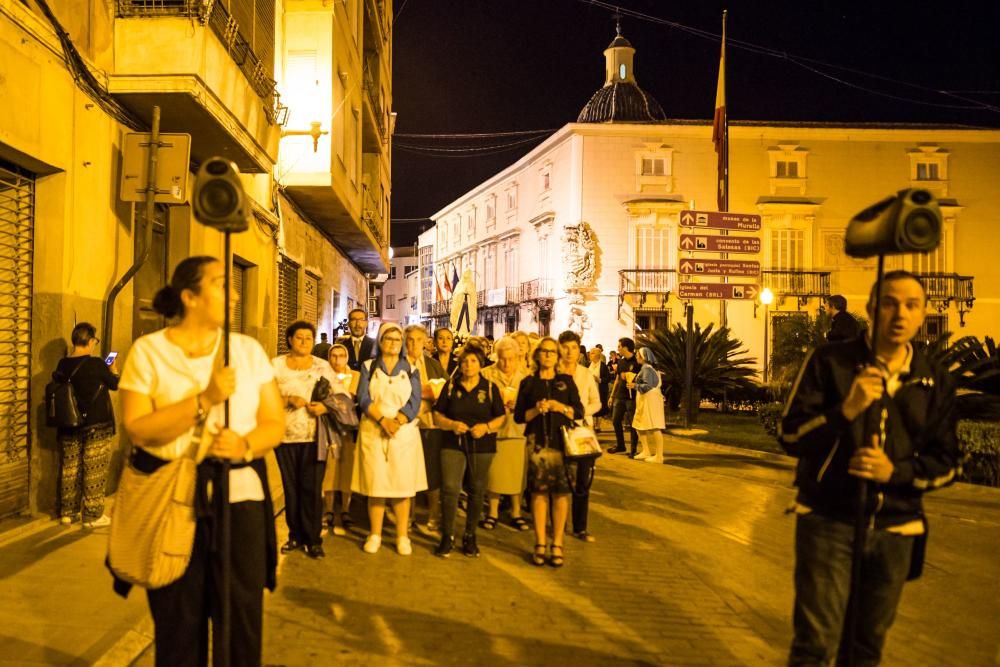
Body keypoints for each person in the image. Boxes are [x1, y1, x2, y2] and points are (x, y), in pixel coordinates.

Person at [780, 271, 960, 665]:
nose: (900, 313)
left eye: (912, 305)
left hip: (897, 528)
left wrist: (893, 473)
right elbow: (790, 435)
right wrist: (846, 409)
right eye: (890, 303)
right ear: (871, 309)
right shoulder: (830, 363)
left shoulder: (935, 380)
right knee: (815, 644)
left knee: (865, 649)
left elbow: (947, 461)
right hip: (829, 520)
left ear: (923, 313)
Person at [119, 256, 284, 666]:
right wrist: (205, 400)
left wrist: (244, 446)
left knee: (239, 620)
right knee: (178, 622)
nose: (234, 293)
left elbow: (273, 422)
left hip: (240, 500)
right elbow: (138, 428)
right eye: (221, 284)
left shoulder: (246, 350)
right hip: (173, 498)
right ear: (190, 296)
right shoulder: (148, 352)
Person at [352, 322, 426, 555]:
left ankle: (402, 536)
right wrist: (383, 420)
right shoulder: (368, 366)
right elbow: (363, 397)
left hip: (403, 435)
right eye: (388, 339)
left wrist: (398, 421)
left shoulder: (411, 369)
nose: (393, 343)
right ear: (380, 342)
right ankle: (375, 533)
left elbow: (415, 400)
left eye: (397, 339)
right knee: (377, 485)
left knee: (401, 486)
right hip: (374, 430)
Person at [514, 337, 584, 568]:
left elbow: (579, 412)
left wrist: (559, 407)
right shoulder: (528, 383)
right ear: (537, 355)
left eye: (552, 352)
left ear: (557, 356)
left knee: (562, 494)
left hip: (562, 445)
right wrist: (536, 410)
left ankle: (558, 543)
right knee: (538, 494)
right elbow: (519, 417)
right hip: (537, 446)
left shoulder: (565, 382)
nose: (547, 355)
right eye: (544, 351)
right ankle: (540, 542)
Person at [432, 346, 506, 557]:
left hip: (482, 446)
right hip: (452, 443)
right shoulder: (450, 386)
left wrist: (486, 428)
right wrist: (452, 424)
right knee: (450, 489)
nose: (468, 365)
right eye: (464, 362)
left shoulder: (490, 388)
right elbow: (437, 416)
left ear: (480, 364)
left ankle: (470, 535)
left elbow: (501, 417)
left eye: (473, 361)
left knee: (476, 490)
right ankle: (447, 535)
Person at [272, 321, 335, 559]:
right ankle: (294, 535)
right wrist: (286, 398)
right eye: (299, 338)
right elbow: (262, 395)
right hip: (284, 436)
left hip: (314, 436)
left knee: (311, 487)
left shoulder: (322, 366)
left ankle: (313, 538)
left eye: (309, 338)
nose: (304, 342)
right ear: (289, 339)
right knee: (291, 488)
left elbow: (340, 394)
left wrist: (325, 407)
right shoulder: (276, 365)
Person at [53, 322, 120, 527]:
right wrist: (114, 369)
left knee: (70, 468)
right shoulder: (97, 364)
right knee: (94, 469)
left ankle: (68, 512)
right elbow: (115, 384)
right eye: (95, 341)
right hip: (96, 425)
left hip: (69, 424)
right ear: (90, 341)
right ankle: (92, 515)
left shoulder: (62, 365)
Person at [481, 336, 531, 532]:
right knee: (494, 474)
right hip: (495, 431)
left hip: (518, 431)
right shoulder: (486, 374)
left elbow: (532, 403)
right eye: (502, 359)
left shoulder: (526, 376)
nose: (507, 363)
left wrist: (518, 405)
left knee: (518, 474)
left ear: (518, 357)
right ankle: (492, 512)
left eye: (511, 359)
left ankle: (516, 512)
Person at [557, 331, 602, 543]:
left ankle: (580, 527)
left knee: (583, 481)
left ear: (578, 349)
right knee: (559, 480)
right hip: (558, 431)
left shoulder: (586, 374)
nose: (569, 352)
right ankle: (558, 522)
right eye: (565, 347)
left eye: (573, 347)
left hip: (582, 430)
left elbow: (597, 402)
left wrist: (580, 412)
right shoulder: (553, 373)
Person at [403, 324, 448, 534]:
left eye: (418, 340)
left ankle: (433, 515)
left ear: (425, 342)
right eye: (410, 340)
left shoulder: (433, 365)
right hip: (406, 426)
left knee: (432, 472)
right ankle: (408, 517)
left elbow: (446, 390)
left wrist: (436, 393)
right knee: (408, 472)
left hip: (430, 423)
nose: (413, 344)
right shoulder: (398, 365)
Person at [321, 343, 360, 536]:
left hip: (349, 429)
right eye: (333, 356)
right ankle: (328, 509)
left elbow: (350, 398)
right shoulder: (324, 376)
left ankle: (345, 509)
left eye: (341, 356)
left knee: (347, 468)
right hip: (328, 428)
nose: (337, 360)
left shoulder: (356, 376)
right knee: (330, 468)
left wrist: (334, 401)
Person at [632, 347, 666, 463]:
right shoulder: (648, 369)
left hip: (650, 400)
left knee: (654, 425)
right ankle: (646, 450)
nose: (636, 357)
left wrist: (634, 386)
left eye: (638, 355)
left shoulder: (647, 369)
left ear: (643, 357)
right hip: (646, 400)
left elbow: (647, 386)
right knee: (639, 424)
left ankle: (659, 456)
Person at [608, 338, 639, 457]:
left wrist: (632, 378)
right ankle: (620, 445)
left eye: (619, 346)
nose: (618, 349)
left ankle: (633, 449)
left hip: (632, 397)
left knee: (633, 424)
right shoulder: (620, 362)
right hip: (620, 396)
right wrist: (612, 396)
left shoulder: (637, 361)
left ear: (626, 347)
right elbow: (617, 379)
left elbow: (642, 378)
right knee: (616, 420)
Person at [587, 346, 612, 432]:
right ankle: (593, 424)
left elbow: (608, 378)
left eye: (592, 353)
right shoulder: (588, 365)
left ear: (598, 355)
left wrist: (599, 380)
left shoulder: (603, 366)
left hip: (600, 390)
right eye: (590, 353)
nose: (590, 355)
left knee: (600, 408)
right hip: (590, 390)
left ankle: (598, 425)